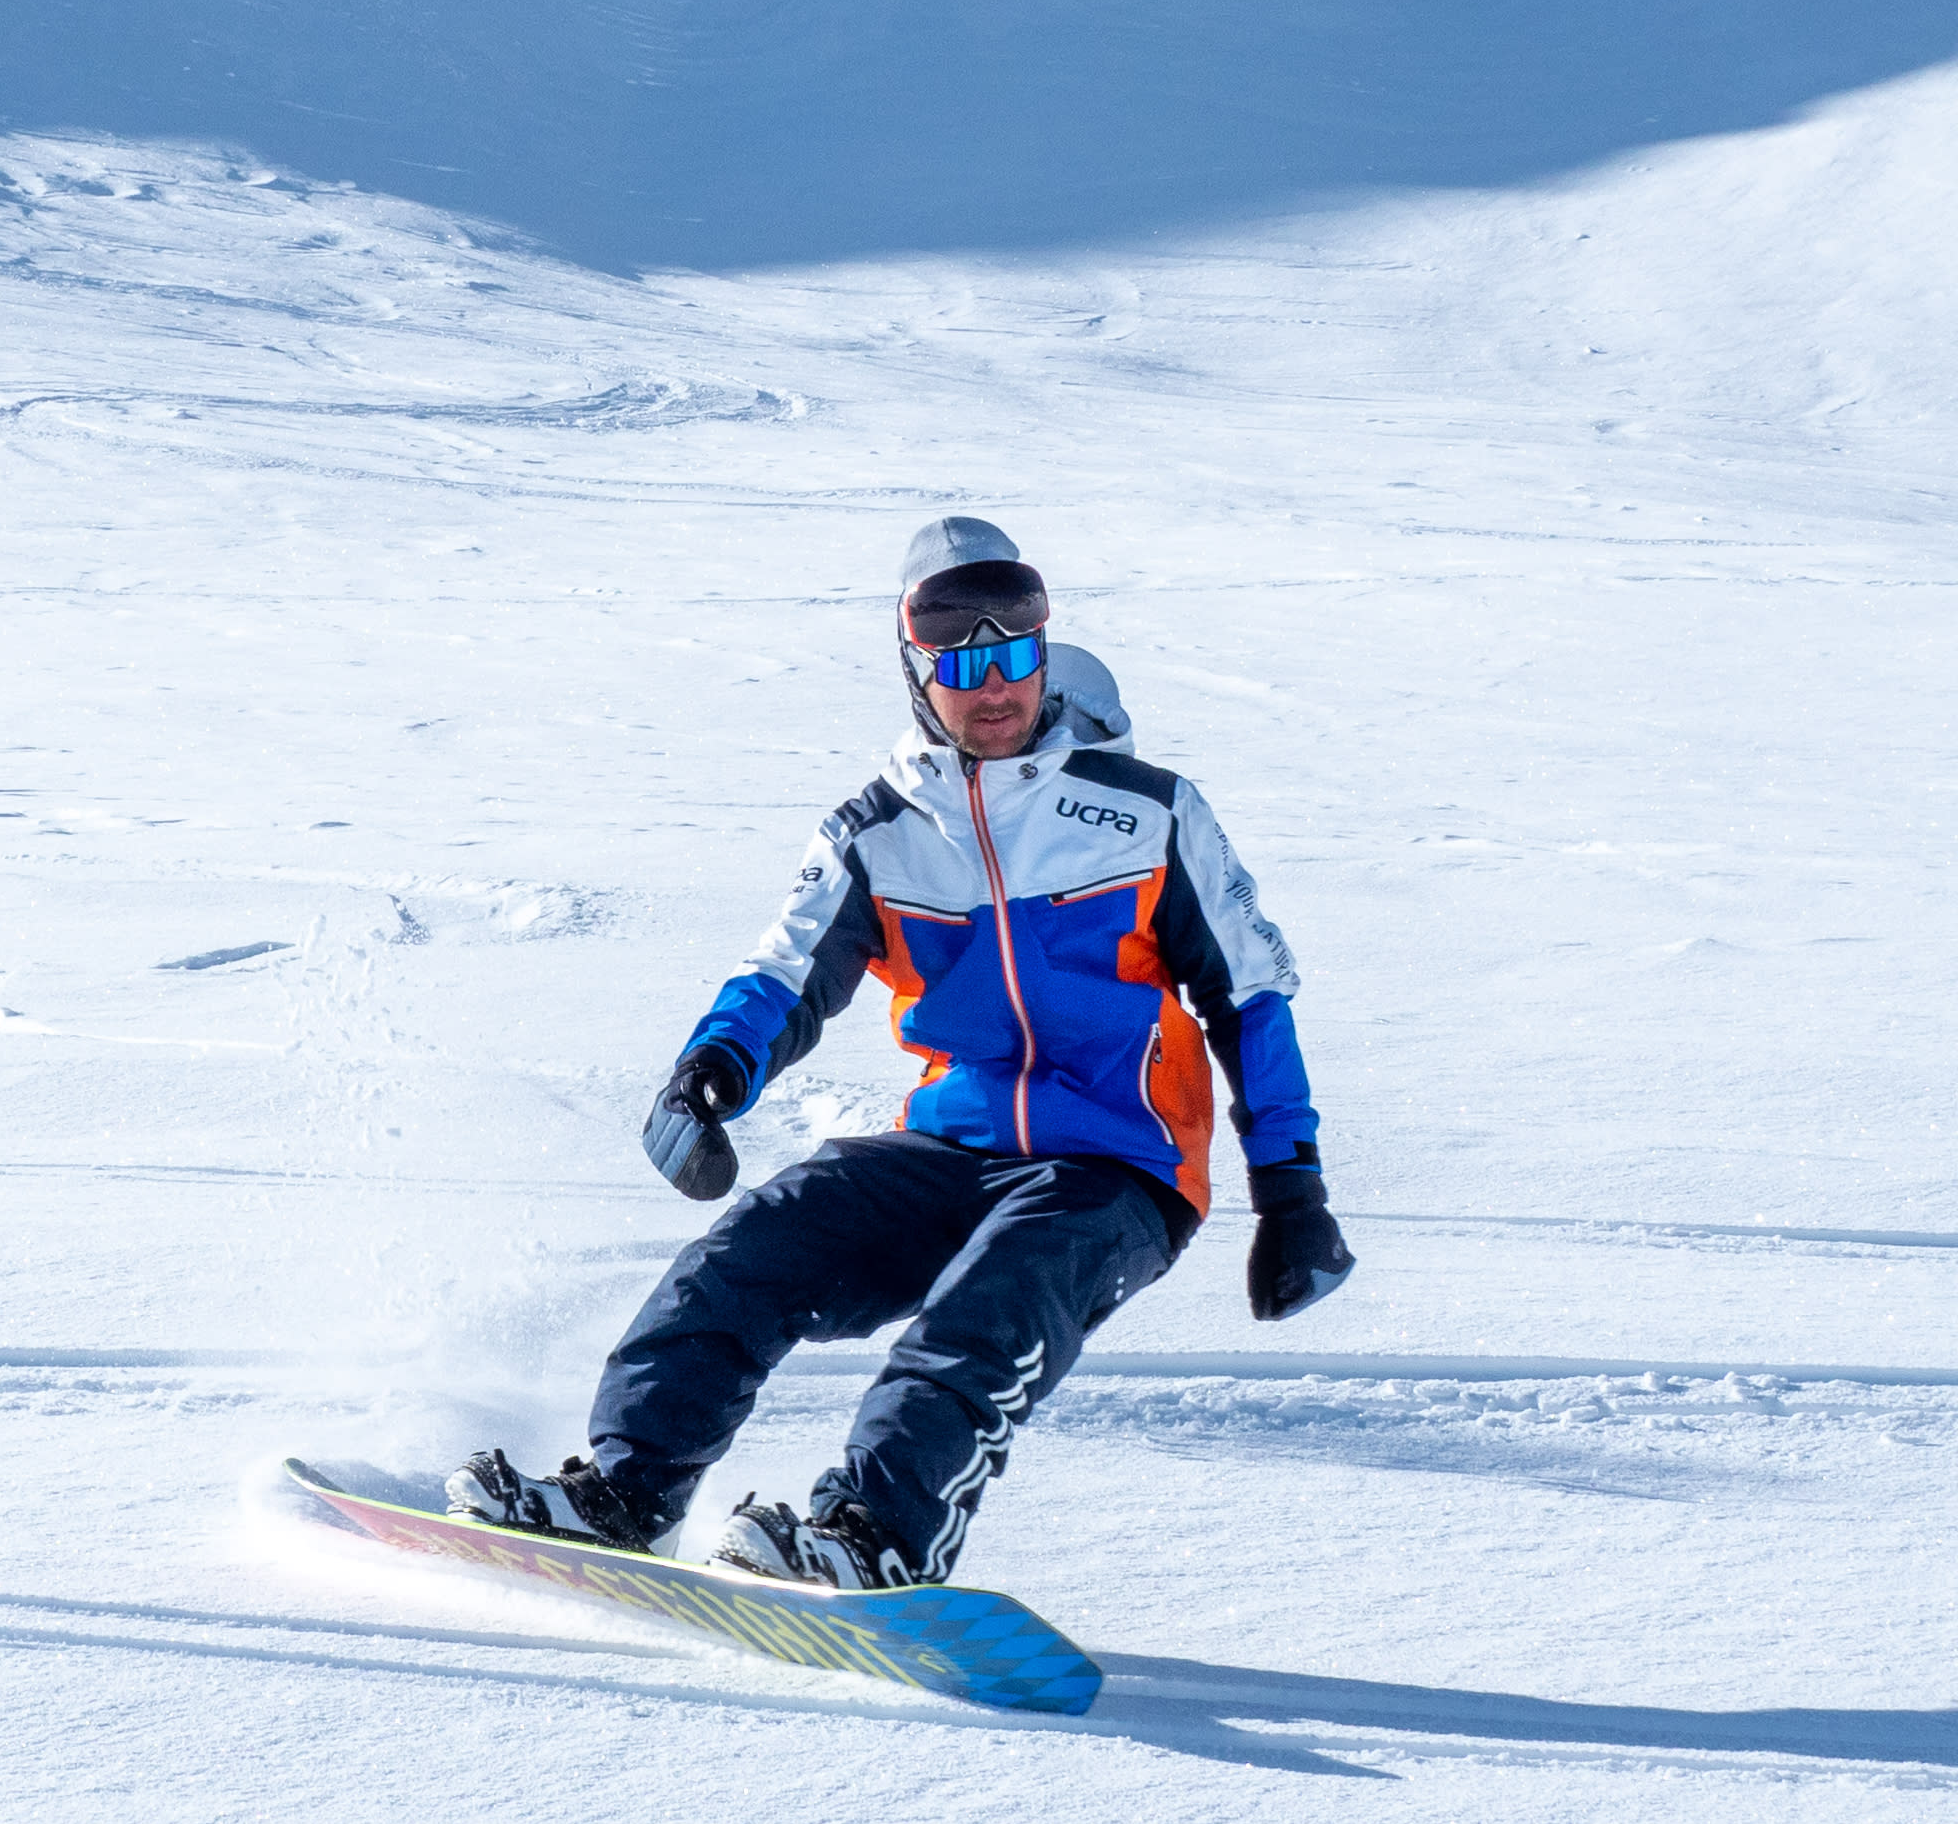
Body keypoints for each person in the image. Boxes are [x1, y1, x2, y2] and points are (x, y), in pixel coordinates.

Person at [453, 519, 1355, 1589]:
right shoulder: (876, 831)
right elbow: (786, 972)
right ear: (915, 668)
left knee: (985, 1317)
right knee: (750, 1254)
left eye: (1015, 653)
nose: (994, 685)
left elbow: (1248, 996)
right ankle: (627, 1494)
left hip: (1119, 1168)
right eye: (961, 661)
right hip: (950, 1148)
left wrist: (1292, 1188)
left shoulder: (1143, 813)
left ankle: (877, 1537)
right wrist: (710, 1074)